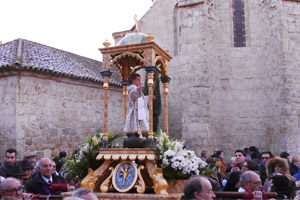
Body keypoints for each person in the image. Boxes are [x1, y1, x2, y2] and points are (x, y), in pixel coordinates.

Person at [123, 73, 149, 148]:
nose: (139, 82)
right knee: (134, 127)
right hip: (134, 111)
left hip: (138, 111)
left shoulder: (136, 89)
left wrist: (148, 97)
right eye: (138, 80)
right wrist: (138, 91)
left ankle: (139, 136)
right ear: (132, 80)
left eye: (140, 80)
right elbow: (134, 95)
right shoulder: (131, 88)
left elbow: (141, 99)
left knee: (139, 128)